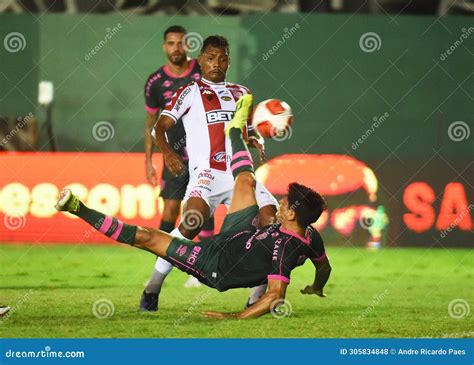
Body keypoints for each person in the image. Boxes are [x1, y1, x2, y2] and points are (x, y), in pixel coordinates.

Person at [55, 94, 331, 319]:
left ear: (292, 214)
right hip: (239, 236)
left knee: (146, 237)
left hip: (216, 264)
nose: (279, 203)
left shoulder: (285, 249)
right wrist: (316, 287)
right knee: (246, 181)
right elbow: (324, 267)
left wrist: (233, 318)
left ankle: (78, 208)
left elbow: (275, 297)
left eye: (284, 203)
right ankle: (234, 128)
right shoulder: (311, 236)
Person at [151, 35, 279, 310]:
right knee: (191, 223)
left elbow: (243, 129)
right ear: (200, 60)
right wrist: (169, 154)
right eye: (210, 57)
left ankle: (257, 297)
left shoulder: (242, 92)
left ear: (228, 61)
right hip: (207, 174)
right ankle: (152, 288)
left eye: (222, 58)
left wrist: (255, 138)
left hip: (240, 176)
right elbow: (159, 128)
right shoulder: (189, 91)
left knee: (269, 222)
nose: (216, 63)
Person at [143, 25, 215, 311]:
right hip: (172, 157)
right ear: (164, 47)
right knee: (171, 212)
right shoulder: (155, 82)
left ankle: (202, 266)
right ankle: (161, 256)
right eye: (170, 43)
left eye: (180, 43)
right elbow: (151, 124)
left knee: (199, 210)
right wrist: (148, 159)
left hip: (202, 155)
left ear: (187, 45)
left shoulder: (202, 70)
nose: (176, 48)